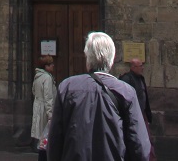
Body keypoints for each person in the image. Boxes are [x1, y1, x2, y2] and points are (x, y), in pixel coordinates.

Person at [47, 31, 151, 161]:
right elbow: (139, 145)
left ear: (88, 59)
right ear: (112, 60)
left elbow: (55, 140)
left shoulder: (67, 88)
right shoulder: (126, 92)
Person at [119, 59, 155, 161]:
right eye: (140, 66)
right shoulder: (126, 79)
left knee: (147, 138)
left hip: (142, 114)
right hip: (133, 115)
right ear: (133, 67)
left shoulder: (140, 78)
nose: (142, 68)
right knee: (138, 138)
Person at [32, 54, 56, 157]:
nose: (53, 66)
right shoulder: (47, 78)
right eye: (51, 64)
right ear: (46, 66)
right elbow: (48, 96)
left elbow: (33, 91)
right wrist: (50, 114)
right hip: (44, 107)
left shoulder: (38, 76)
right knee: (45, 132)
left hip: (37, 105)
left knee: (40, 130)